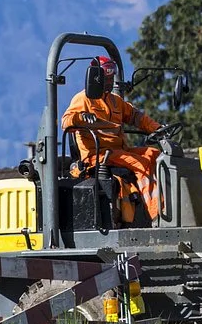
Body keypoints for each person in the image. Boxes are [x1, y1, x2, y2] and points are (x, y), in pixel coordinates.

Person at [62, 55, 163, 223]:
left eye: (111, 78)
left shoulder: (115, 101)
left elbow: (136, 117)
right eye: (107, 78)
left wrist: (157, 128)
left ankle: (164, 203)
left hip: (119, 151)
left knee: (154, 154)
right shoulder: (83, 99)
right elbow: (66, 121)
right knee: (141, 165)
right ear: (96, 78)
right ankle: (156, 215)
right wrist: (81, 117)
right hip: (98, 155)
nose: (110, 82)